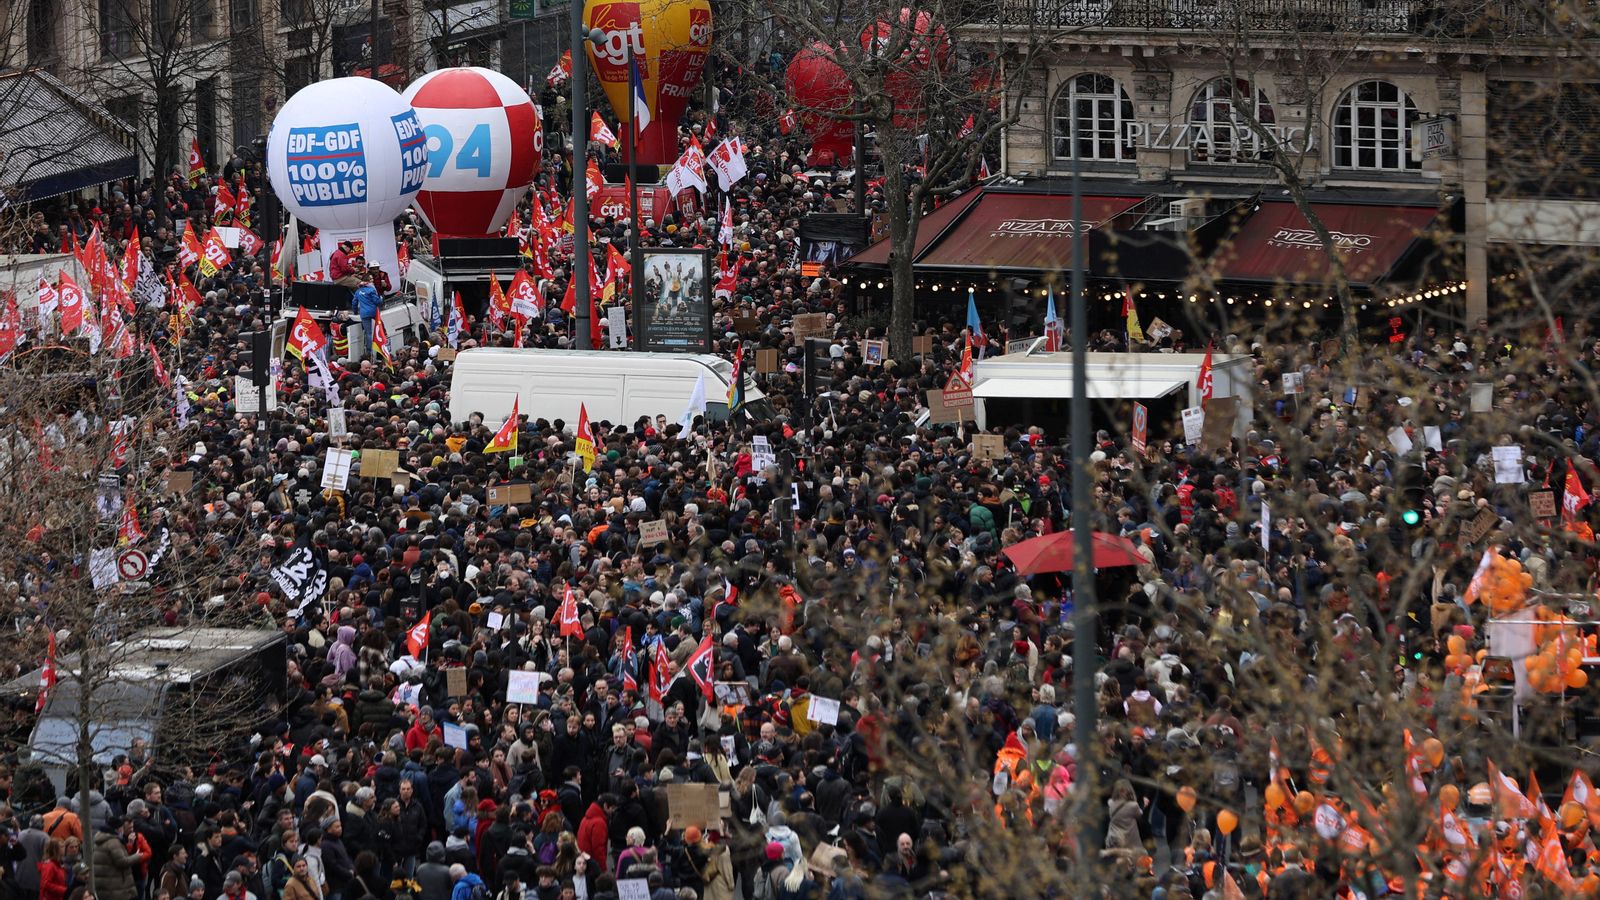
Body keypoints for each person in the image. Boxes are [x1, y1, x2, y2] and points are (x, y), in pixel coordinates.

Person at [91, 818, 141, 900]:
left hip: (106, 886)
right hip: (117, 888)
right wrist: (136, 856)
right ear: (118, 828)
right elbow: (122, 862)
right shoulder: (113, 842)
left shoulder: (99, 840)